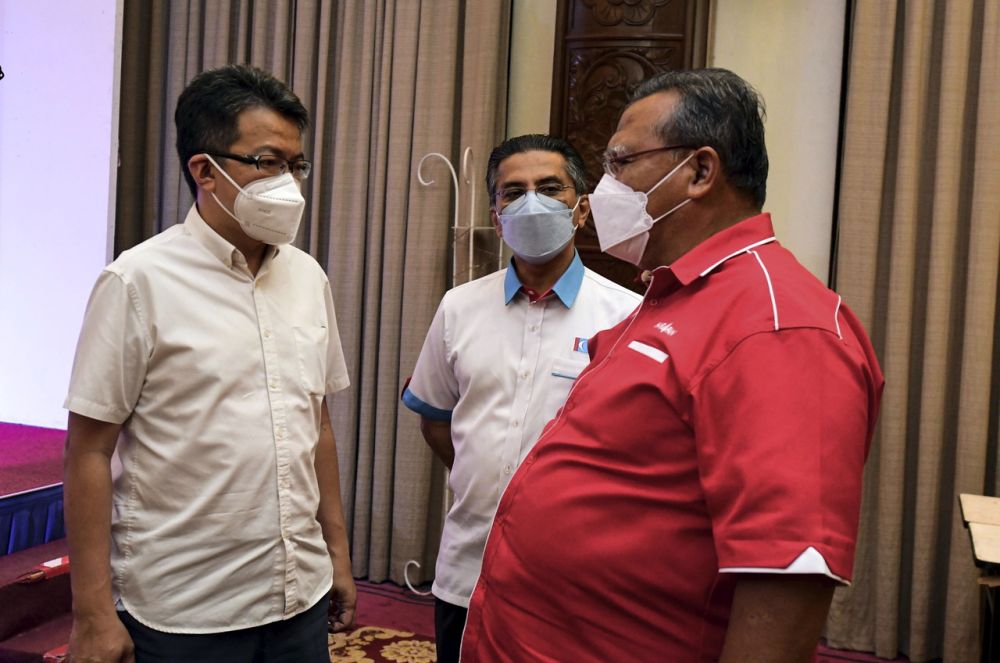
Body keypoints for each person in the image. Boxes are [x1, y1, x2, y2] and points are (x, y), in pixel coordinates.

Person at [460, 69, 885, 662]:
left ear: (699, 172)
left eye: (621, 162)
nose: (604, 186)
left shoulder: (779, 324)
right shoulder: (671, 293)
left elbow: (785, 580)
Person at [63, 64, 354, 662]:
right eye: (269, 162)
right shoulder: (137, 282)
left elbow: (315, 424)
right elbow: (89, 451)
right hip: (184, 609)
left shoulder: (306, 276)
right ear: (206, 170)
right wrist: (92, 611)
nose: (290, 183)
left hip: (297, 594)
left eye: (296, 165)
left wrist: (338, 556)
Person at [401, 134, 641, 663]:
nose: (531, 202)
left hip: (573, 582)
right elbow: (438, 420)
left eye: (549, 188)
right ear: (496, 214)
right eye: (514, 192)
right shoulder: (459, 307)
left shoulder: (627, 317)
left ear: (580, 210)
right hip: (468, 568)